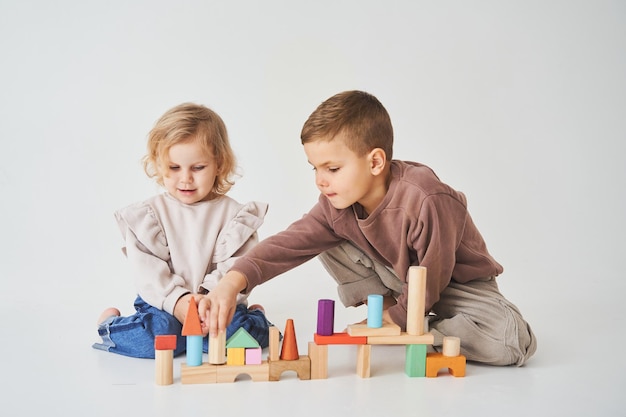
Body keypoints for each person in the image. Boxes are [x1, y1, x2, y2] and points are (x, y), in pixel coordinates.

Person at [198, 90, 537, 366]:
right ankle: (394, 312)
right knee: (319, 237)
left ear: (375, 162)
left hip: (456, 285)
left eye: (331, 168)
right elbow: (290, 243)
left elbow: (433, 274)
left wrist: (400, 321)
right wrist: (233, 281)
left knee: (510, 344)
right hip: (400, 279)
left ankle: (418, 326)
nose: (320, 181)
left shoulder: (426, 197)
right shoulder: (337, 205)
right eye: (314, 168)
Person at [93, 102, 274, 358]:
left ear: (219, 164)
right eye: (174, 168)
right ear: (158, 165)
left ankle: (256, 317)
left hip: (216, 304)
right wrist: (178, 301)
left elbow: (236, 266)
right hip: (163, 305)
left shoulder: (235, 216)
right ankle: (110, 325)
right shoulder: (149, 216)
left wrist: (207, 301)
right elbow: (148, 272)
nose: (185, 178)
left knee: (233, 340)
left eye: (198, 168)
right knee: (159, 337)